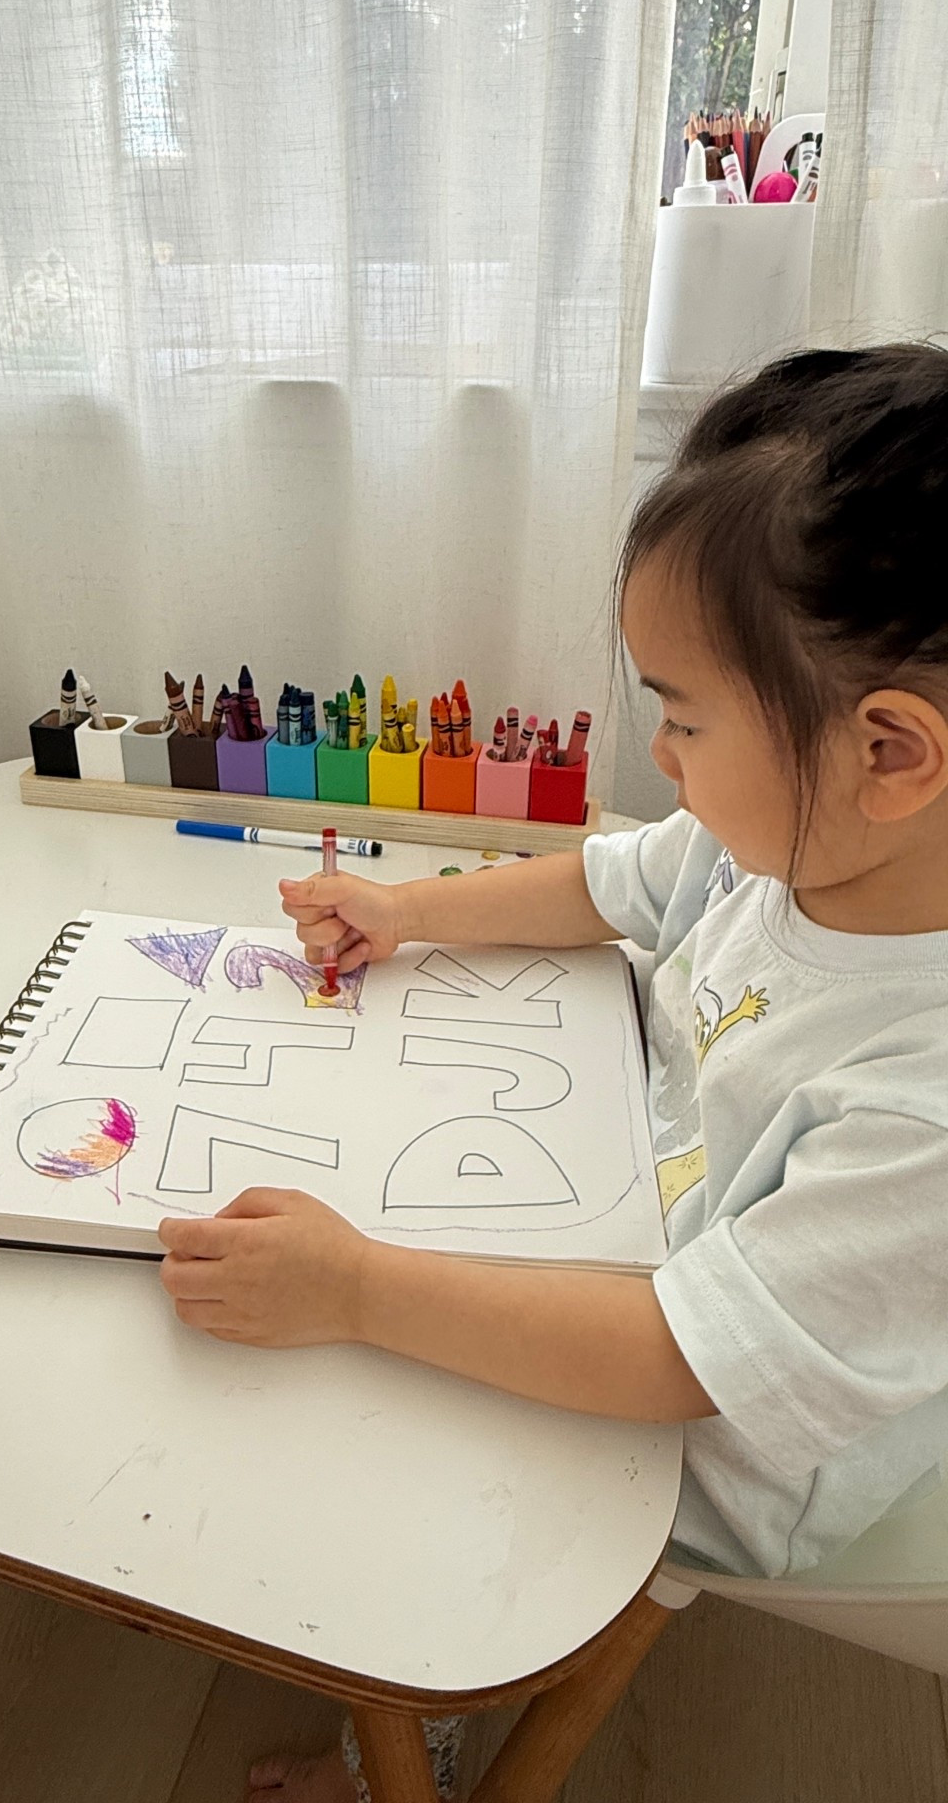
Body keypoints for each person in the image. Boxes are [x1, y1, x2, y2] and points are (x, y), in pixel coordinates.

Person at [159, 345, 948, 1802]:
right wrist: (405, 915)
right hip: (612, 1222)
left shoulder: (924, 1102)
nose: (663, 756)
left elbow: (677, 1366)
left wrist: (359, 1291)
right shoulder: (782, 841)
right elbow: (603, 885)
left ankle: (404, 1732)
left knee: (380, 1468)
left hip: (713, 1442)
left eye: (688, 720)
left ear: (890, 754)